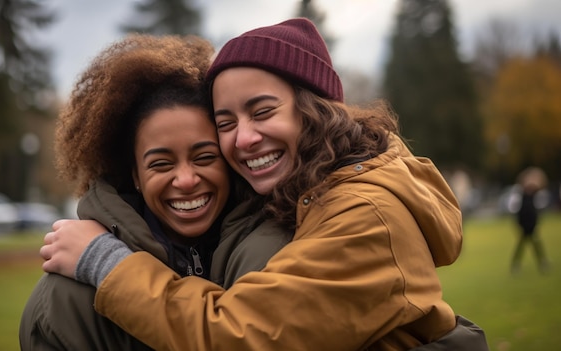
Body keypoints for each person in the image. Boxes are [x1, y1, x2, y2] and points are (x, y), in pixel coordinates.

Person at [40, 18, 488, 350]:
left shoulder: (365, 214)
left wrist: (103, 260)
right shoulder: (313, 195)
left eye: (263, 111)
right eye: (226, 122)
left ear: (313, 109)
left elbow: (236, 336)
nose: (245, 137)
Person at [19, 33, 235, 350]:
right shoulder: (66, 300)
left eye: (204, 157)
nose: (186, 180)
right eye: (161, 164)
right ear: (134, 175)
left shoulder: (276, 253)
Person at [511, 167, 550, 274]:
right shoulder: (520, 194)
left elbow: (537, 211)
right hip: (524, 223)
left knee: (536, 244)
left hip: (532, 223)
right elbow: (517, 210)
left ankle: (542, 262)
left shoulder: (536, 195)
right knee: (522, 245)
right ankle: (516, 264)